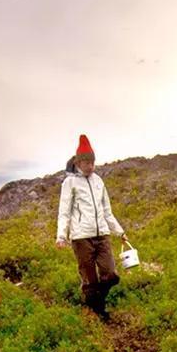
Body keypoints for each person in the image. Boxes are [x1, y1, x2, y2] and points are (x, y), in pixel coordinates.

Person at [56, 134, 129, 321]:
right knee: (90, 280)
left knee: (111, 274)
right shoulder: (69, 182)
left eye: (92, 162)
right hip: (81, 238)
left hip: (102, 235)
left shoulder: (98, 181)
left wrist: (119, 231)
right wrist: (61, 236)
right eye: (86, 162)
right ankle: (98, 312)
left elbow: (107, 211)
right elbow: (64, 211)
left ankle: (95, 303)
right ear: (78, 162)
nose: (90, 166)